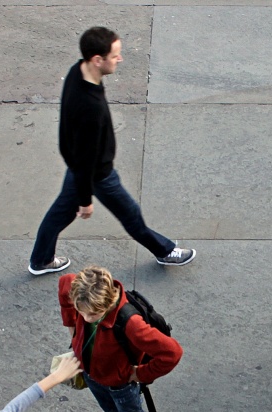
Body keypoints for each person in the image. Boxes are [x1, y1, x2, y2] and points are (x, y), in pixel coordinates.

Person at [28, 26, 195, 275]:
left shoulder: (78, 71)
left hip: (77, 164)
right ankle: (165, 251)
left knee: (60, 214)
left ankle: (40, 260)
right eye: (115, 55)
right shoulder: (90, 108)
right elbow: (87, 161)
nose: (120, 59)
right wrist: (86, 200)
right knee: (131, 216)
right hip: (98, 174)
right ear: (98, 60)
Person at [59, 266, 182, 412]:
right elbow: (65, 282)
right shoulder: (78, 290)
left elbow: (172, 352)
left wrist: (138, 374)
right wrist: (73, 331)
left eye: (92, 315)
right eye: (80, 312)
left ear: (107, 306)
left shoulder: (130, 323)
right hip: (93, 375)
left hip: (120, 385)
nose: (85, 318)